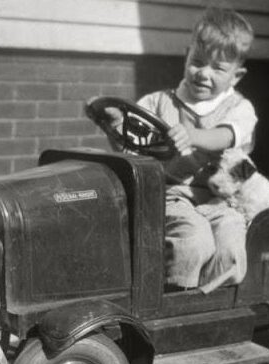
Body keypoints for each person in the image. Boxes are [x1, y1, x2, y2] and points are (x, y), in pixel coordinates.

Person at [107, 8, 258, 293]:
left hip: (220, 199)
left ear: (236, 76)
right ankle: (174, 300)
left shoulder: (240, 109)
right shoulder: (158, 102)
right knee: (193, 241)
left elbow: (225, 136)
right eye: (197, 62)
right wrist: (116, 125)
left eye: (218, 69)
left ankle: (210, 305)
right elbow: (131, 145)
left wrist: (193, 135)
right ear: (186, 55)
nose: (203, 73)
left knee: (231, 247)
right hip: (170, 193)